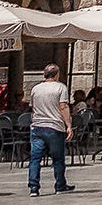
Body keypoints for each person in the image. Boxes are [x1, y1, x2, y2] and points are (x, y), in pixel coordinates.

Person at [28, 62, 74, 196]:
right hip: (54, 127)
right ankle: (60, 186)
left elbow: (33, 107)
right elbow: (63, 107)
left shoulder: (35, 88)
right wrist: (68, 125)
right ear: (57, 75)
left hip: (37, 126)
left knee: (35, 158)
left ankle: (33, 188)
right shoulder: (60, 88)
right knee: (58, 158)